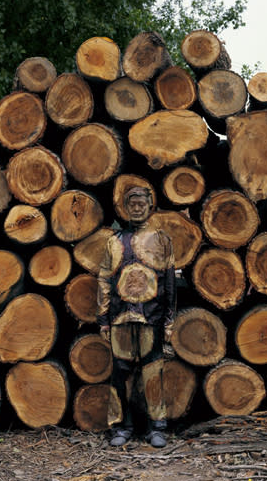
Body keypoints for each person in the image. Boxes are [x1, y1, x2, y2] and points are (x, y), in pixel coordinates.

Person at [96, 186, 176, 448]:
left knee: (153, 372)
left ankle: (157, 426)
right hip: (120, 319)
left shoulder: (161, 240)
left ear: (150, 206)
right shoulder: (114, 241)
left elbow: (168, 284)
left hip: (150, 319)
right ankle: (121, 426)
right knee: (121, 374)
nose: (137, 208)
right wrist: (103, 318)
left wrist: (168, 320)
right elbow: (105, 280)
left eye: (142, 203)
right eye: (132, 204)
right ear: (125, 208)